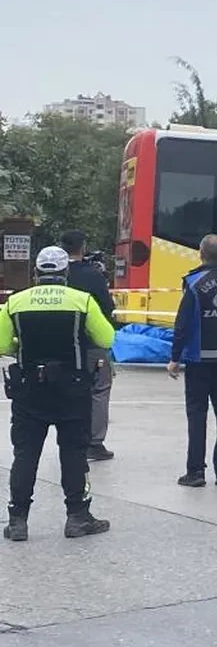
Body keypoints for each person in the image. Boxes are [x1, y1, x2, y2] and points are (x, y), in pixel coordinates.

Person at [1, 246, 114, 541]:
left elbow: (2, 345)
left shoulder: (15, 302)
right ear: (65, 273)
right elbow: (106, 337)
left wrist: (20, 346)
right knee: (74, 452)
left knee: (25, 454)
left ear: (36, 272)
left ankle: (17, 521)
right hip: (72, 387)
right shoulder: (81, 300)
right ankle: (77, 517)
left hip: (29, 388)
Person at [167, 234, 217, 488]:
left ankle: (195, 472)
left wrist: (174, 357)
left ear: (200, 253)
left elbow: (183, 323)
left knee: (197, 414)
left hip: (198, 358)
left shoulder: (192, 283)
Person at [60, 230, 117, 462]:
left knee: (67, 388)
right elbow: (107, 306)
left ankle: (69, 436)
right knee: (99, 389)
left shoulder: (56, 275)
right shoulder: (92, 274)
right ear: (82, 247)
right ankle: (94, 442)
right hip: (92, 343)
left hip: (61, 343)